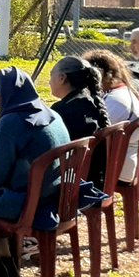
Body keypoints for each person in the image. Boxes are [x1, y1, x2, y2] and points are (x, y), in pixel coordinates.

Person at [0, 68, 71, 277]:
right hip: (54, 199)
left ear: (5, 93)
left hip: (22, 203)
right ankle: (5, 261)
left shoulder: (12, 122)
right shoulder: (53, 115)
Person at [84, 49, 139, 183]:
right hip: (123, 164)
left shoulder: (114, 101)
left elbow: (93, 139)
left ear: (100, 74)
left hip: (115, 170)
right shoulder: (120, 93)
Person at [47, 56, 110, 184]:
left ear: (62, 78)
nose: (49, 82)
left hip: (72, 184)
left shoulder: (63, 110)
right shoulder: (90, 103)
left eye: (51, 75)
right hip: (94, 178)